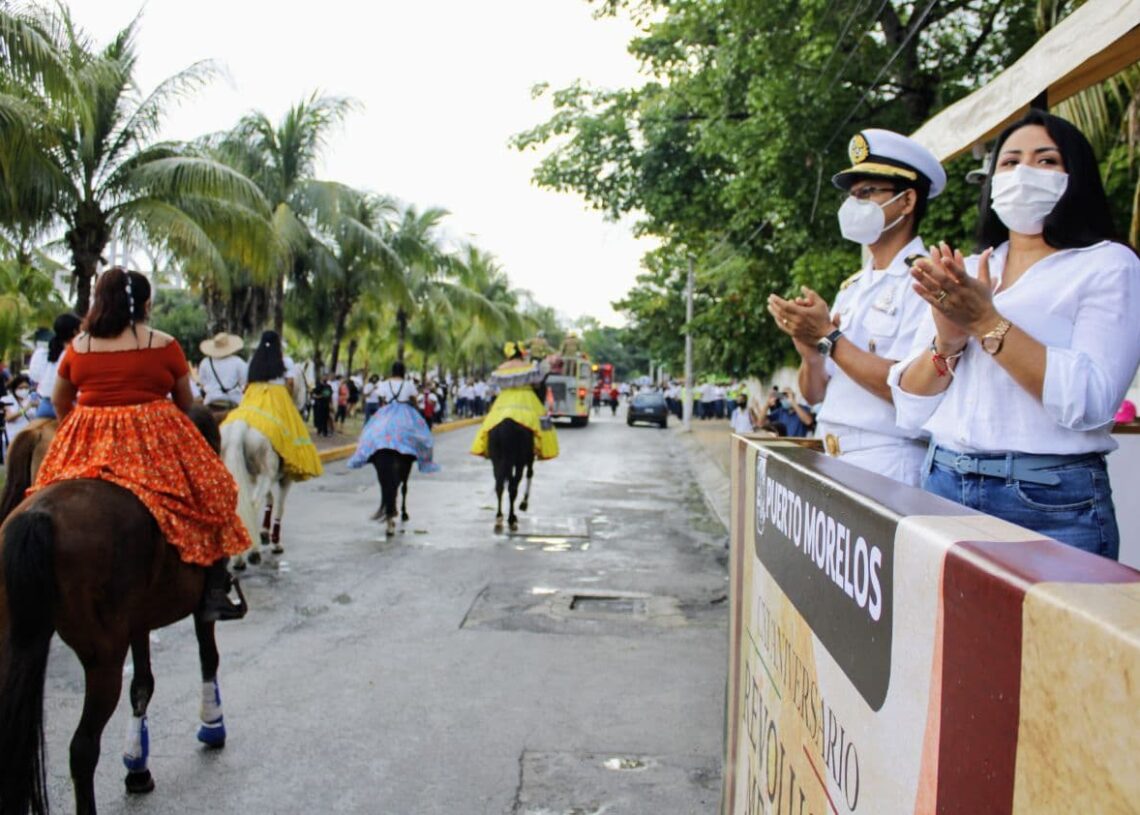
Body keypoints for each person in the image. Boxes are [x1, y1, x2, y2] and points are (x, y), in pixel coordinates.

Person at [888, 111, 1140, 559]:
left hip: (1047, 499)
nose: (1024, 173)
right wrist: (948, 341)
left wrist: (986, 321)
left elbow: (1091, 401)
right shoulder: (969, 270)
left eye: (1046, 161)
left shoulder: (1108, 265)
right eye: (1009, 162)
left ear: (1076, 175)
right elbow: (910, 405)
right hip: (944, 482)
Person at [29, 267, 248, 620]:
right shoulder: (164, 344)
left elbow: (59, 400)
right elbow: (184, 401)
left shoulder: (78, 346)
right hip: (152, 437)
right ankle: (213, 590)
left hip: (89, 437)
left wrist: (77, 429)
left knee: (41, 492)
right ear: (146, 305)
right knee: (215, 491)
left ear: (100, 301)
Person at [768, 128, 946, 485]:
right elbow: (815, 393)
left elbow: (910, 389)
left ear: (907, 201)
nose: (854, 204)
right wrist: (811, 354)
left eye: (867, 193)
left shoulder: (928, 281)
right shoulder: (852, 288)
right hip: (833, 451)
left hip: (889, 458)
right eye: (851, 195)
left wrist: (829, 338)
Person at [348, 361, 440, 527]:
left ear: (392, 371)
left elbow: (382, 400)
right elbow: (414, 401)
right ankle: (424, 459)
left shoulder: (384, 384)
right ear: (403, 372)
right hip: (405, 413)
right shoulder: (409, 385)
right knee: (423, 437)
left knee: (370, 433)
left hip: (387, 412)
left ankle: (365, 455)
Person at [223, 330, 323, 482]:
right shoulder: (286, 361)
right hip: (277, 397)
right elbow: (290, 384)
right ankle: (287, 462)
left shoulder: (253, 361)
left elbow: (247, 383)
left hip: (254, 395)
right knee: (290, 432)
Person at [470, 342, 559, 461]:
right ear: (521, 354)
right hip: (526, 397)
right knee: (543, 423)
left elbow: (491, 389)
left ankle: (488, 449)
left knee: (489, 422)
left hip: (504, 399)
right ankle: (541, 449)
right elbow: (538, 383)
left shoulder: (500, 369)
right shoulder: (529, 367)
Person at [31, 313, 82, 419]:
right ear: (75, 332)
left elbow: (34, 377)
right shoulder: (75, 354)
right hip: (67, 407)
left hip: (44, 405)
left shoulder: (42, 353)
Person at [197, 332, 248, 414]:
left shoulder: (205, 362)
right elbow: (245, 383)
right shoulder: (238, 362)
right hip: (233, 403)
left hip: (211, 402)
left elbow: (202, 383)